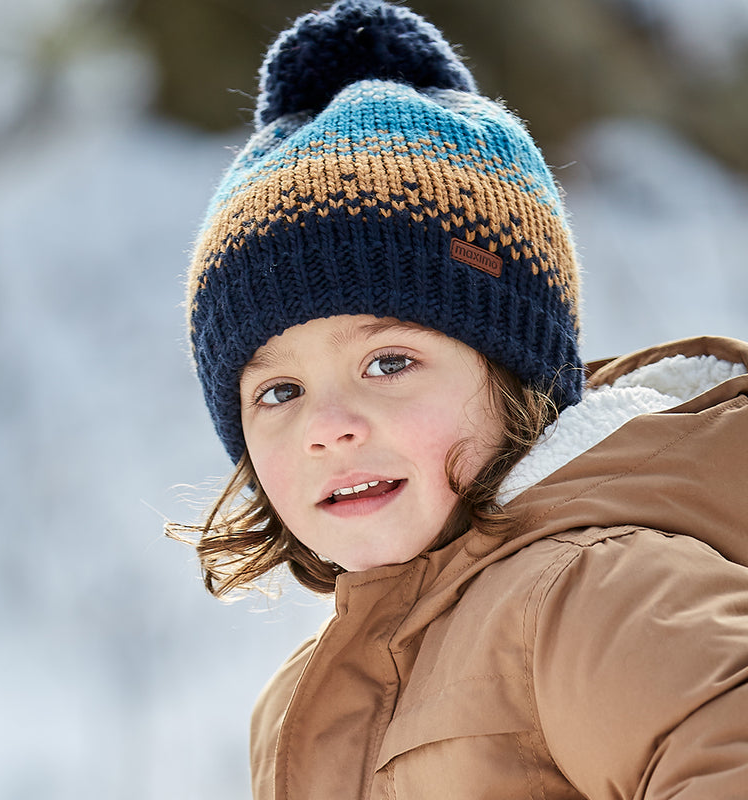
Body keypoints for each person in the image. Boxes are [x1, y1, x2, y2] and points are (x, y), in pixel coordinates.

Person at [172, 0, 748, 797]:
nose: (327, 428)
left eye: (388, 363)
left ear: (517, 374)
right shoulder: (301, 701)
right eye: (279, 390)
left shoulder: (592, 597)